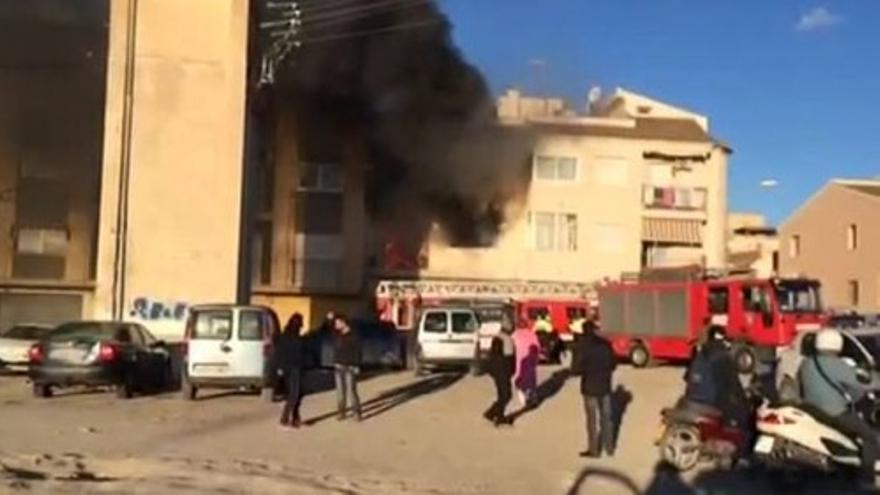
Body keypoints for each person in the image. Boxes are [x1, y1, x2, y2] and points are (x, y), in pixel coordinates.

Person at [800, 329, 879, 486]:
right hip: (835, 413)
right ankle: (866, 479)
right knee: (870, 437)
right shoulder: (837, 365)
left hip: (812, 410)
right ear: (837, 344)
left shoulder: (807, 362)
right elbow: (864, 382)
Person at [683, 325, 749, 428]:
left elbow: (687, 377)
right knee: (741, 414)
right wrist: (745, 402)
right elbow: (734, 385)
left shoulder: (700, 353)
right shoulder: (723, 357)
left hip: (691, 399)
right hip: (712, 403)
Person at [576, 319, 617, 458]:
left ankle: (594, 450)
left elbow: (576, 369)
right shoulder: (606, 344)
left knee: (591, 420)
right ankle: (609, 447)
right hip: (605, 386)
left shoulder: (583, 346)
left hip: (589, 388)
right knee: (606, 418)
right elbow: (613, 365)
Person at [277, 313, 306, 428]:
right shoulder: (287, 337)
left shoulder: (294, 336)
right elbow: (280, 354)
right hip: (291, 368)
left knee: (297, 394)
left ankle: (296, 418)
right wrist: (280, 368)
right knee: (293, 395)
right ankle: (285, 419)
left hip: (295, 368)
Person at [483, 324, 516, 426]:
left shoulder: (496, 337)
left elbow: (492, 356)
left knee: (502, 394)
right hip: (503, 371)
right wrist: (511, 371)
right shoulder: (507, 340)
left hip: (496, 370)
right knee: (506, 395)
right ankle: (492, 413)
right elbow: (509, 359)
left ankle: (498, 415)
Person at [333, 314, 362, 421]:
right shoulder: (337, 335)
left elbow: (358, 351)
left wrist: (357, 365)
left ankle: (356, 412)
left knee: (351, 391)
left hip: (350, 366)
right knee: (340, 392)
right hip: (338, 366)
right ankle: (341, 412)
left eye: (337, 323)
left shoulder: (354, 335)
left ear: (343, 322)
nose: (336, 325)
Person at [512, 325, 540, 408]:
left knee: (519, 378)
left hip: (519, 359)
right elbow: (537, 346)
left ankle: (523, 396)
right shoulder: (532, 334)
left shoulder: (515, 334)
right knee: (531, 378)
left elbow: (512, 346)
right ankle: (532, 397)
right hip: (531, 359)